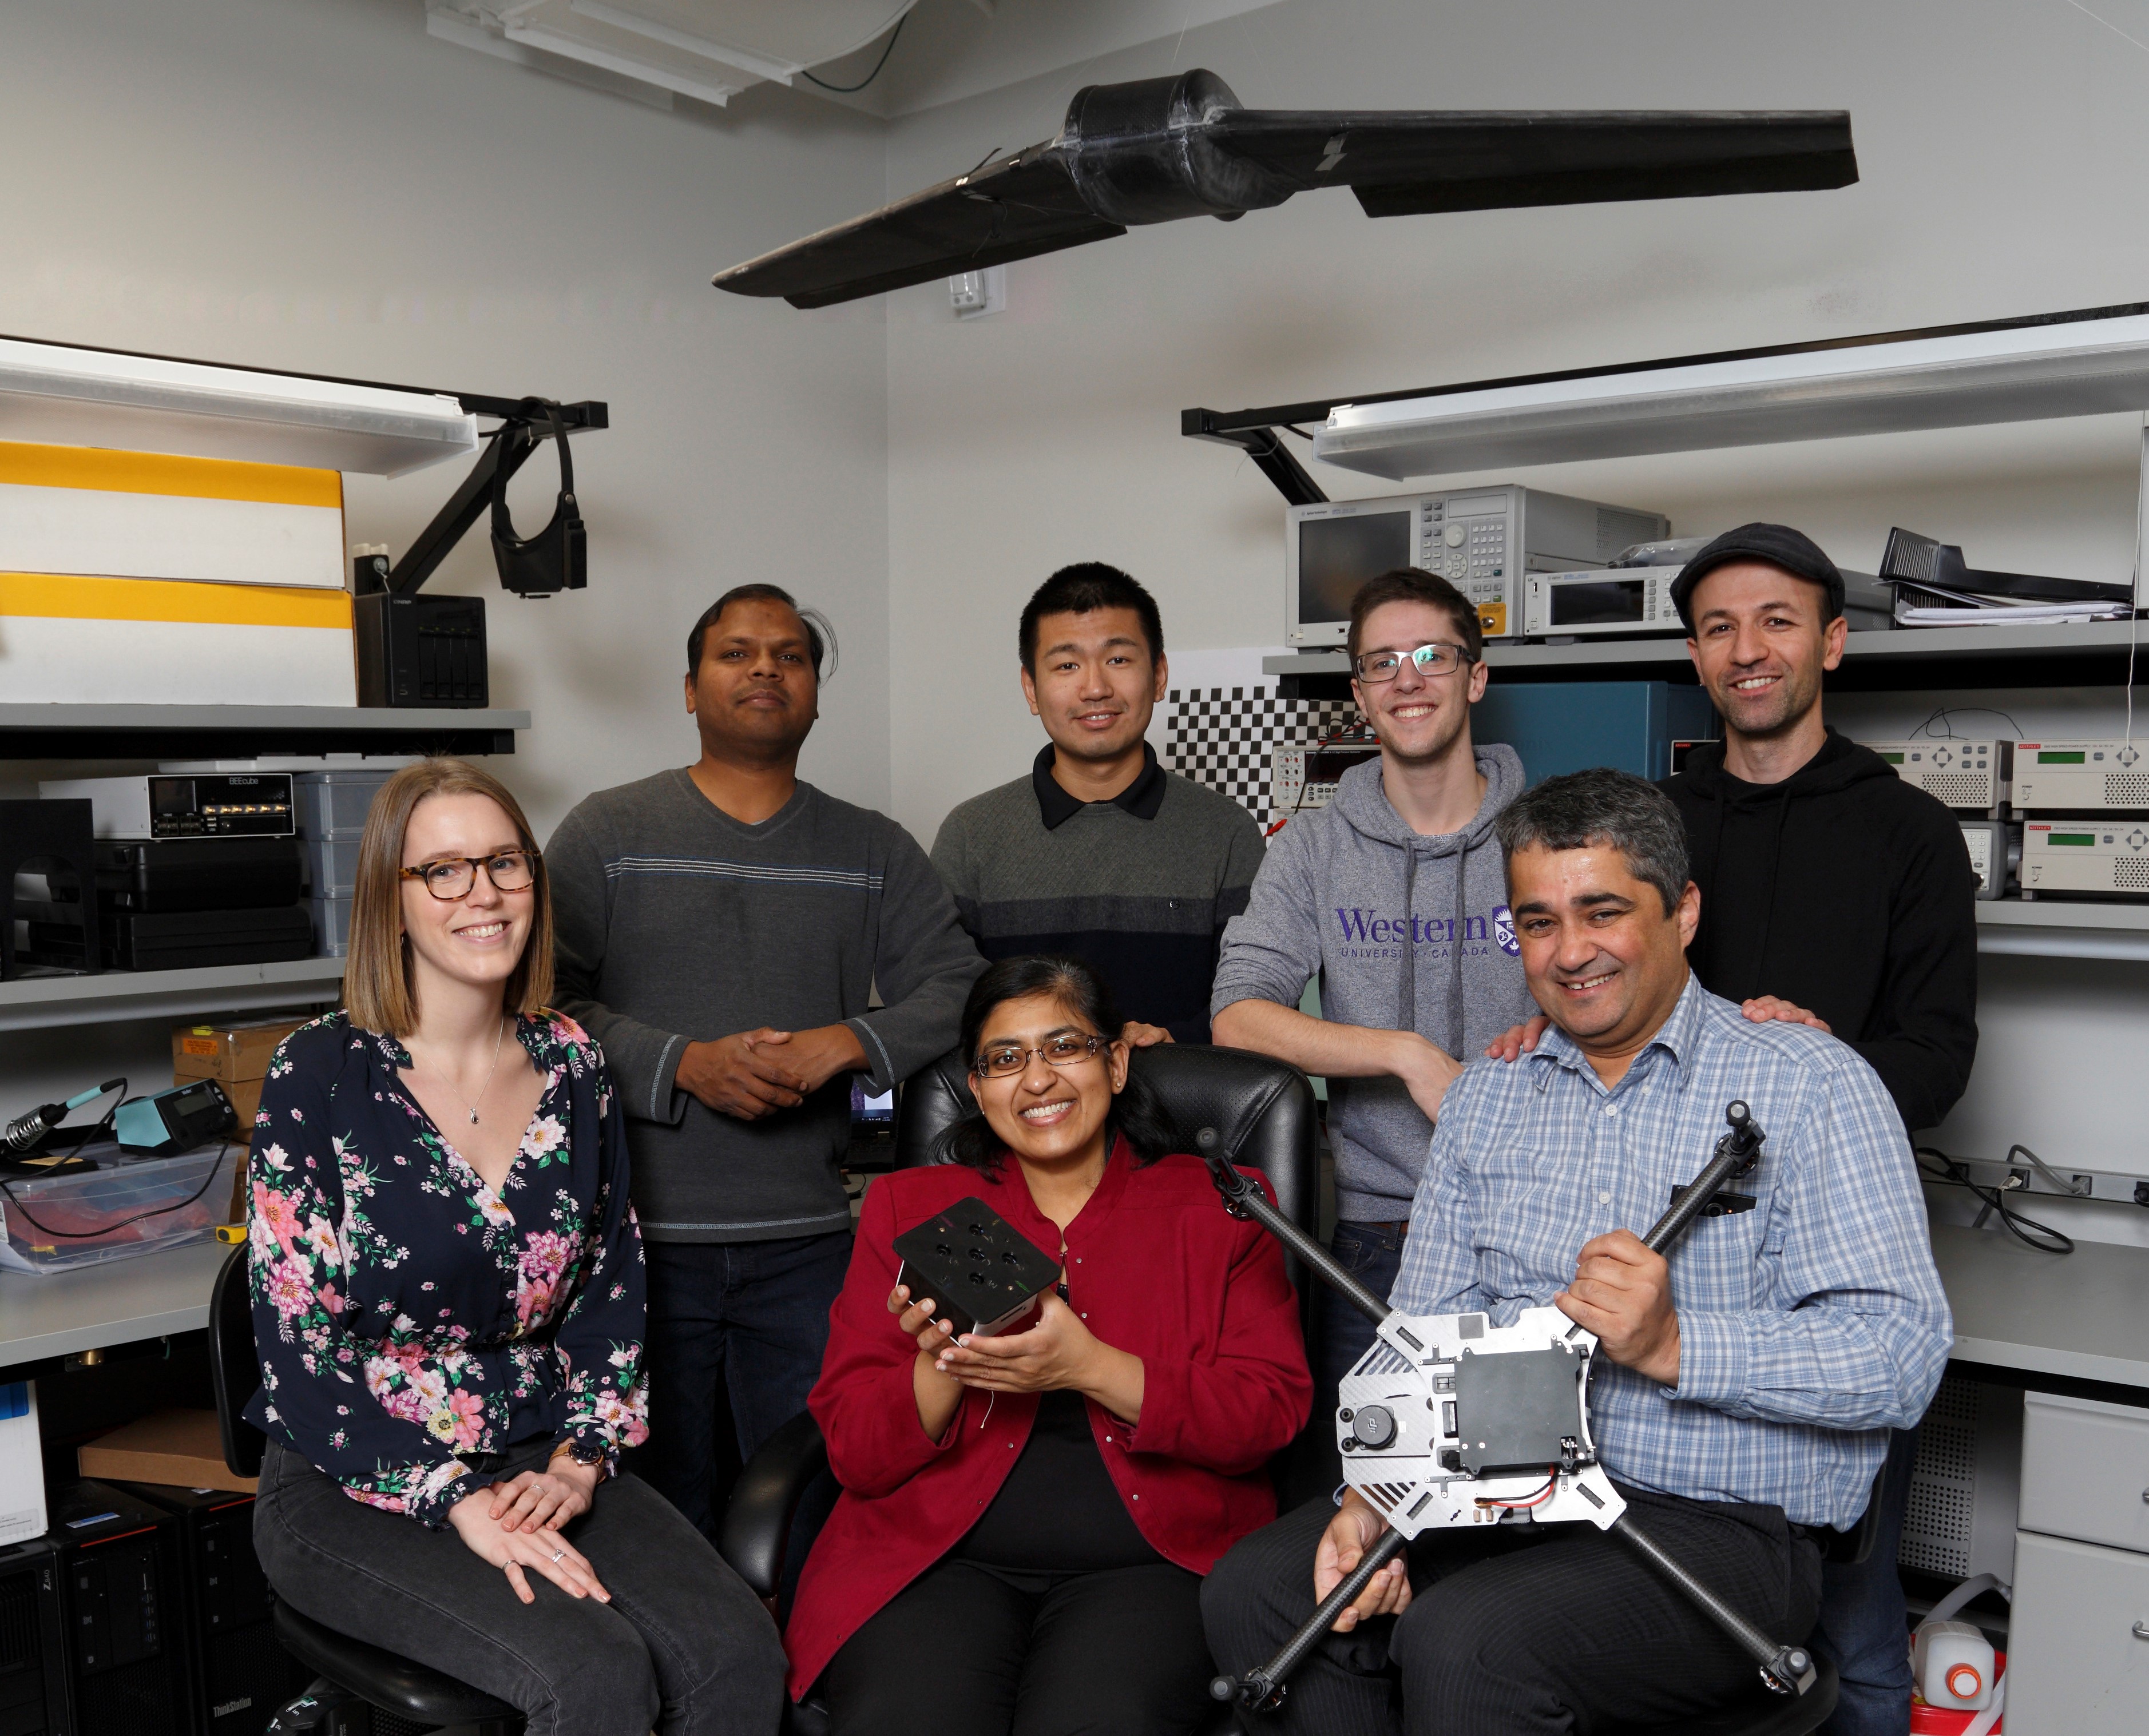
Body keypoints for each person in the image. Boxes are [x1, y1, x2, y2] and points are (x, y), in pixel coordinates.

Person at [1203, 768, 1951, 1736]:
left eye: (1602, 912)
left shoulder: (1812, 1086)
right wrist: (1374, 1502)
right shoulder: (1488, 1097)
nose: (1569, 953)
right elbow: (1422, 1338)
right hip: (1498, 1492)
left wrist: (1676, 1345)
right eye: (1538, 922)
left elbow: (1899, 1361)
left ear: (1682, 912)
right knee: (1262, 1591)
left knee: (1468, 1645)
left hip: (1719, 1528)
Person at [1490, 523, 1979, 1735]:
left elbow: (1943, 1051)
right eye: (1717, 626)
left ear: (1834, 639)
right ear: (1696, 654)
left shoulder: (1907, 829)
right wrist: (1535, 1035)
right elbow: (1596, 975)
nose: (1746, 649)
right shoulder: (1658, 817)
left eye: (1775, 620)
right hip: (1655, 1254)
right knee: (1649, 1615)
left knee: (1853, 1623)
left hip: (1823, 1252)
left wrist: (1822, 1064)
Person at [247, 757, 784, 1736]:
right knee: (592, 1675)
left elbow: (610, 1299)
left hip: (540, 1449)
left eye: (503, 863)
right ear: (390, 898)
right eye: (444, 870)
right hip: (357, 1472)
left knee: (736, 1659)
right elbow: (300, 1364)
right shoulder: (318, 1072)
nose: (483, 893)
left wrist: (582, 1459)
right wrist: (455, 1500)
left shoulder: (573, 1062)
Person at [547, 583, 982, 1537]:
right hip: (639, 1245)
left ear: (817, 695)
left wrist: (850, 1042)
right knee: (656, 1515)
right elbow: (542, 1004)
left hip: (810, 1247)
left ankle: (801, 1685)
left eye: (790, 655)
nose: (764, 670)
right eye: (736, 653)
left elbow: (960, 987)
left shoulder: (873, 849)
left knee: (816, 1504)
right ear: (691, 689)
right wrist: (679, 1063)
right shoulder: (606, 834)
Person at [786, 955, 1312, 1736]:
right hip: (934, 1559)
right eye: (1004, 1058)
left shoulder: (1219, 1204)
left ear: (1118, 1059)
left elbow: (1268, 1414)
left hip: (1149, 1567)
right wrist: (945, 1364)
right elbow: (855, 1451)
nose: (1036, 1079)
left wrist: (1091, 1367)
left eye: (1064, 1046)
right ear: (977, 1085)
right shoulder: (913, 1206)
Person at [1210, 566, 1536, 1404]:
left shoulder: (1549, 834)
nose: (1410, 678)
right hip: (1377, 1237)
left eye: (1433, 654)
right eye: (1384, 662)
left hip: (1538, 1220)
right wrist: (1404, 1054)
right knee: (1376, 1506)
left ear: (1477, 674)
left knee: (1530, 1499)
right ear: (1360, 691)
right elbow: (1238, 1017)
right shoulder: (1313, 849)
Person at [931, 563, 1266, 1046]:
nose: (1094, 688)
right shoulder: (971, 835)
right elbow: (947, 1003)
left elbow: (1260, 1001)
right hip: (1027, 1112)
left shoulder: (1227, 833)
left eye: (1118, 660)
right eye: (1067, 665)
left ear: (1159, 675)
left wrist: (1176, 1041)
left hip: (1185, 1111)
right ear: (1031, 687)